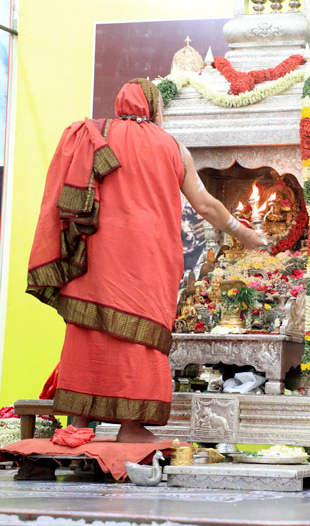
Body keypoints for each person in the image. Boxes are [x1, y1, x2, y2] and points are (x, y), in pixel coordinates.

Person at [26, 79, 265, 443]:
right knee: (140, 339)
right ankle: (131, 427)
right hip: (147, 261)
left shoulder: (95, 135)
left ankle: (78, 423)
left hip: (97, 256)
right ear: (153, 108)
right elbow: (205, 205)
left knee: (89, 332)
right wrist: (244, 234)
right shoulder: (172, 147)